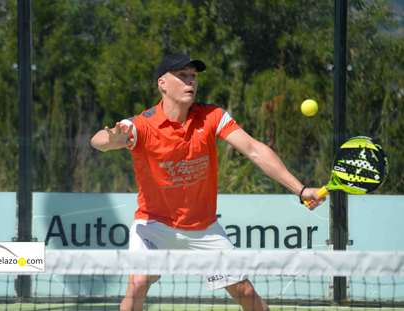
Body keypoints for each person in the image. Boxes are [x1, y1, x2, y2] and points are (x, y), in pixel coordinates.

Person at [91, 53, 325, 311]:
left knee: (245, 292)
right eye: (182, 76)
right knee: (137, 284)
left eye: (193, 76)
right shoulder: (143, 125)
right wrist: (112, 140)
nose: (190, 81)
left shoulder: (212, 116)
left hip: (203, 227)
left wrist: (301, 189)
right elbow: (99, 140)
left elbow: (254, 150)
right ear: (162, 84)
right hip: (154, 224)